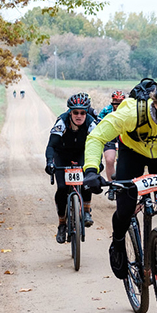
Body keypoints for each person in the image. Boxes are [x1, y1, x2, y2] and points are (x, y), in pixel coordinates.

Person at [81, 77, 157, 279]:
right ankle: (119, 243)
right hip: (132, 152)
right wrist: (90, 170)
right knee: (125, 208)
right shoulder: (132, 111)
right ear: (155, 103)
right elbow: (97, 137)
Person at [44, 93, 98, 244]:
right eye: (75, 112)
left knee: (87, 178)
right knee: (62, 188)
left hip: (82, 153)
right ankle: (62, 224)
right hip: (62, 155)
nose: (79, 115)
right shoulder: (62, 121)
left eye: (82, 112)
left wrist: (97, 162)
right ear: (70, 112)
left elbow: (98, 144)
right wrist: (49, 162)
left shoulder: (91, 123)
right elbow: (51, 145)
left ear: (86, 112)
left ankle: (86, 211)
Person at [98, 90, 126, 179]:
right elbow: (98, 123)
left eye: (120, 102)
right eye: (115, 102)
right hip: (110, 137)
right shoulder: (106, 110)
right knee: (109, 160)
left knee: (123, 161)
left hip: (123, 137)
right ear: (112, 101)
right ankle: (111, 184)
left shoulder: (127, 111)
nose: (117, 105)